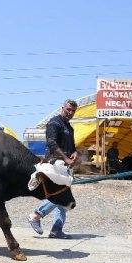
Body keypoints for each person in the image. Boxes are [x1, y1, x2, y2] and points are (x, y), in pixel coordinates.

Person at [27, 99, 78, 239]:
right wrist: (66, 158)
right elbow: (51, 143)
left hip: (64, 166)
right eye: (68, 109)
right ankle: (36, 215)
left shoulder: (69, 128)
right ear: (62, 108)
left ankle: (56, 229)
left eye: (73, 111)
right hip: (54, 164)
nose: (70, 112)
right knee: (60, 195)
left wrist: (74, 153)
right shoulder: (54, 123)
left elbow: (72, 146)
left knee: (63, 196)